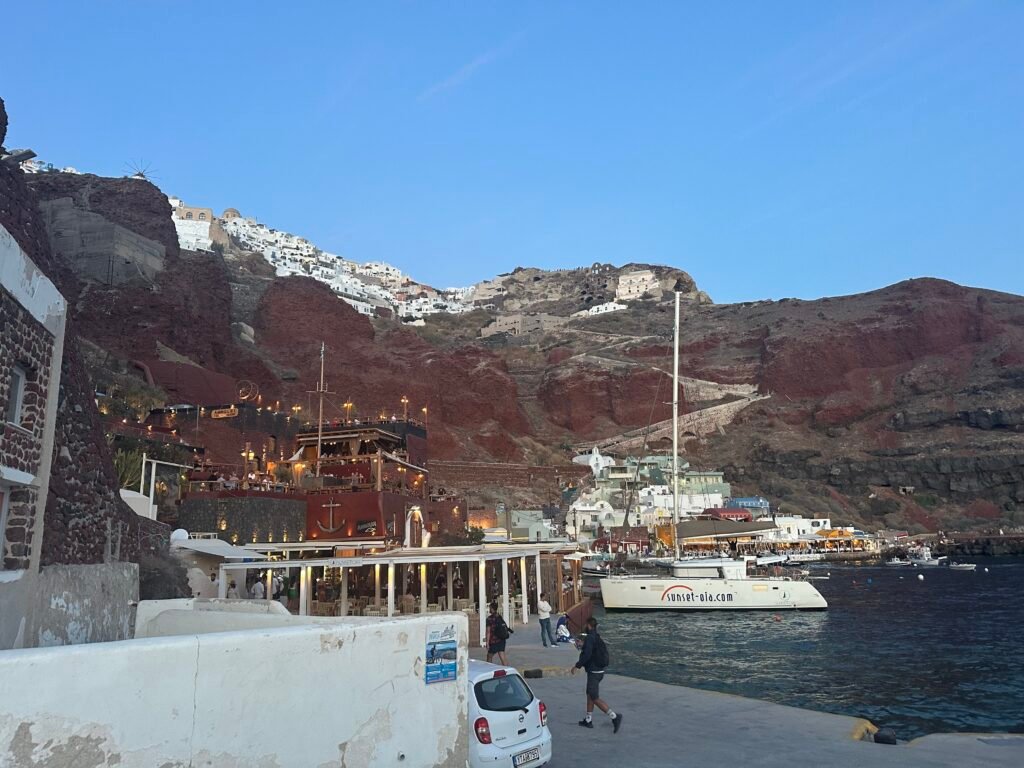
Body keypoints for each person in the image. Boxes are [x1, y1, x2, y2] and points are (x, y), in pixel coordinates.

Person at [571, 617, 622, 733]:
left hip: (594, 672)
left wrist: (577, 665)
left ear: (589, 625)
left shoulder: (589, 638)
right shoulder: (597, 637)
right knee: (589, 694)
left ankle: (614, 717)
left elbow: (587, 654)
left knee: (594, 697)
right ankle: (588, 720)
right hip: (598, 671)